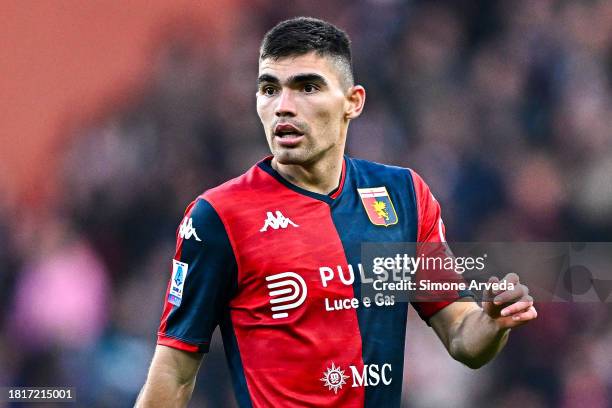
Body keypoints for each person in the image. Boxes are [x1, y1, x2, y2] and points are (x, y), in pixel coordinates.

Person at [136, 17, 537, 408]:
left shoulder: (403, 195)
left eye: (307, 87)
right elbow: (175, 371)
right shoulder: (219, 216)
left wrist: (493, 322)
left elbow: (463, 337)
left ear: (352, 102)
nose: (283, 107)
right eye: (269, 89)